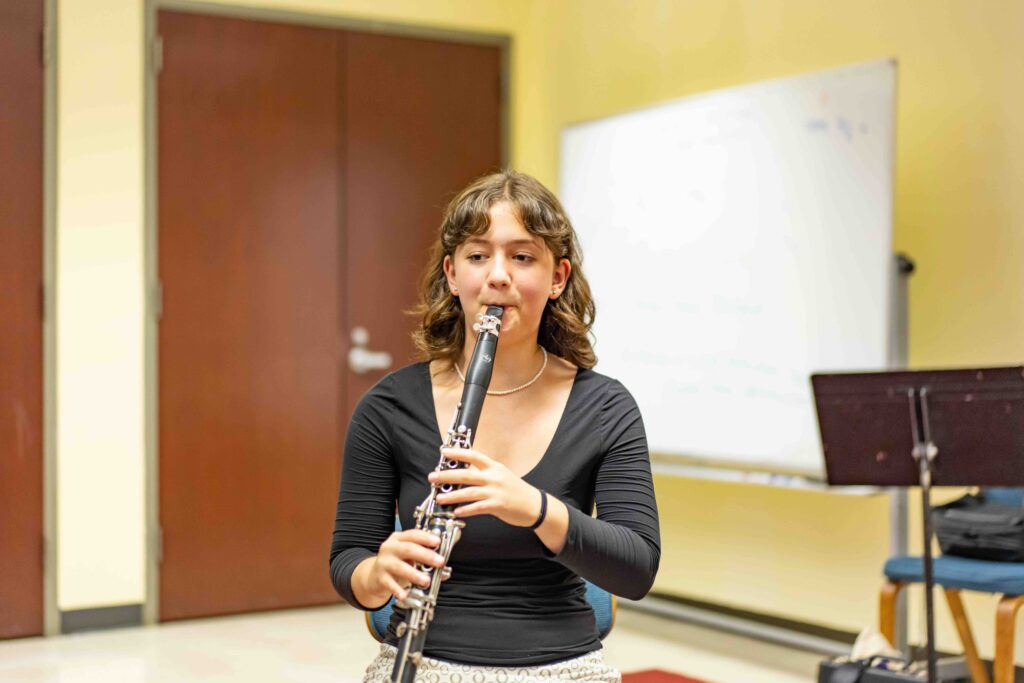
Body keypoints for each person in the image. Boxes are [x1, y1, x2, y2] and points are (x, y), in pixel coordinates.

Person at [330, 170, 660, 682]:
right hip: (423, 664)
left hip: (563, 668)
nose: (498, 276)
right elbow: (348, 557)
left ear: (558, 278)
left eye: (522, 256)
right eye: (478, 255)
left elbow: (636, 570)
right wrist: (377, 573)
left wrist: (533, 507)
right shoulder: (389, 406)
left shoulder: (605, 407)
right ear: (452, 274)